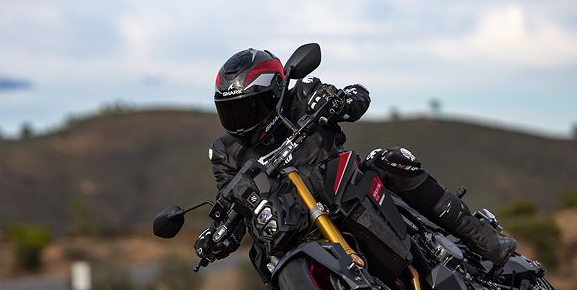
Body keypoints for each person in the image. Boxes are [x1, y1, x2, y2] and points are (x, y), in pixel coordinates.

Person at [197, 47, 516, 268]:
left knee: (390, 160)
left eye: (248, 107)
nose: (240, 120)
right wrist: (220, 237)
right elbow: (232, 200)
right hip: (293, 219)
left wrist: (340, 101)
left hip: (346, 186)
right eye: (230, 111)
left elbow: (358, 95)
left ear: (274, 93)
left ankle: (483, 239)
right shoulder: (225, 151)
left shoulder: (303, 96)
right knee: (264, 252)